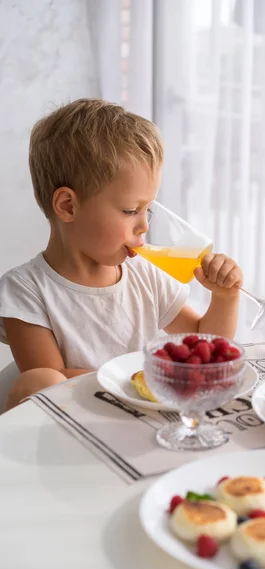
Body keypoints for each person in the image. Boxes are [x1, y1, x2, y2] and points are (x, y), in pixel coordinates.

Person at [0, 99, 243, 411]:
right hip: (71, 422)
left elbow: (205, 345)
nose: (143, 226)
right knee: (40, 380)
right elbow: (56, 384)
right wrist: (151, 376)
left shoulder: (145, 274)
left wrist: (224, 298)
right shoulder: (25, 291)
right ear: (68, 206)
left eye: (148, 210)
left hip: (135, 417)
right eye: (131, 210)